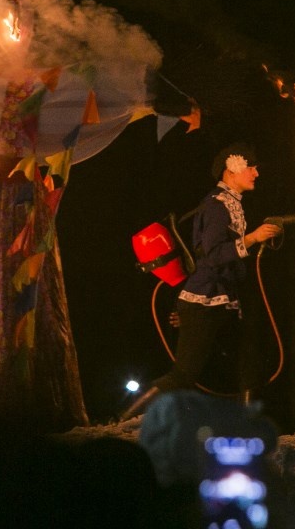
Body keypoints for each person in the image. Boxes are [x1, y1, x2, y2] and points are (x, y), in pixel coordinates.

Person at [121, 143, 282, 421]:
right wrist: (253, 238)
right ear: (231, 169)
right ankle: (121, 421)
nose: (256, 173)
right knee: (184, 374)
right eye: (251, 167)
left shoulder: (230, 203)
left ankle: (248, 425)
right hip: (205, 300)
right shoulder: (217, 206)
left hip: (223, 299)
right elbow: (215, 254)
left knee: (249, 359)